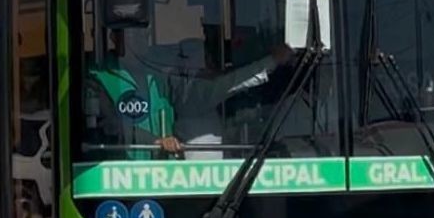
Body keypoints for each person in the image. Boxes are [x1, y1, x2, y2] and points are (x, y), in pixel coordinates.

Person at [84, 28, 293, 159]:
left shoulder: (157, 73)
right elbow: (107, 126)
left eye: (144, 33)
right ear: (114, 36)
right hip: (116, 176)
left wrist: (269, 63)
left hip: (160, 174)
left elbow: (204, 94)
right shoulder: (97, 76)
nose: (142, 38)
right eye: (134, 33)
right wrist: (155, 142)